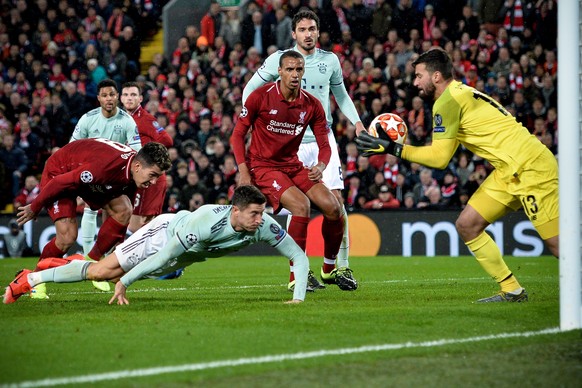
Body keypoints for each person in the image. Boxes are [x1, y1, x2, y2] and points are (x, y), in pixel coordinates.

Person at [356, 48, 559, 303]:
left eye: (419, 76)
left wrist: (393, 148)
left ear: (437, 76)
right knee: (467, 225)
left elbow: (440, 159)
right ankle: (512, 290)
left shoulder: (447, 101)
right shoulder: (460, 93)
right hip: (509, 170)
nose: (415, 82)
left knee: (558, 246)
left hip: (531, 167)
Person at [4, 186, 309, 305]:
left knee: (104, 274)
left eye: (263, 213)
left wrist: (297, 300)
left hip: (182, 257)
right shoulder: (204, 223)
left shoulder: (265, 227)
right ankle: (30, 279)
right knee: (102, 273)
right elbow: (165, 253)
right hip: (164, 234)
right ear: (236, 211)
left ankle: (51, 266)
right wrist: (127, 281)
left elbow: (298, 256)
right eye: (254, 214)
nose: (261, 219)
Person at [242, 10, 364, 288]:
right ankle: (299, 270)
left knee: (336, 205)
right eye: (302, 29)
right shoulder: (279, 60)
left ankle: (337, 268)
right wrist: (255, 121)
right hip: (289, 141)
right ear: (294, 33)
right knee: (297, 207)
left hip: (322, 139)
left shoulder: (330, 60)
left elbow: (341, 95)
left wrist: (357, 122)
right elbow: (250, 89)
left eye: (312, 29)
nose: (308, 34)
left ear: (318, 32)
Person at [15, 140, 171, 299]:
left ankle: (93, 260)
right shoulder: (105, 167)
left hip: (85, 178)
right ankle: (35, 280)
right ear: (138, 166)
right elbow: (59, 182)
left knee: (124, 209)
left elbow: (122, 215)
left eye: (157, 177)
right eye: (153, 175)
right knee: (67, 237)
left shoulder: (132, 173)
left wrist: (117, 252)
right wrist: (34, 207)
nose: (154, 182)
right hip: (60, 172)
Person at [71, 78, 142, 292]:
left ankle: (100, 263)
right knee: (91, 209)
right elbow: (72, 148)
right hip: (89, 174)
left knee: (114, 216)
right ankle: (90, 263)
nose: (109, 99)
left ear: (117, 97)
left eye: (112, 94)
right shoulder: (87, 119)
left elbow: (137, 151)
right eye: (105, 95)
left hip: (115, 176)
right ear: (99, 98)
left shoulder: (127, 120)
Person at [120, 81, 173, 233]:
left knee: (139, 224)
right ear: (121, 98)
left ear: (140, 99)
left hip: (149, 178)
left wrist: (146, 156)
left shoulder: (146, 119)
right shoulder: (121, 119)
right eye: (126, 95)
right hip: (134, 177)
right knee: (134, 223)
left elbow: (167, 140)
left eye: (133, 95)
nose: (129, 98)